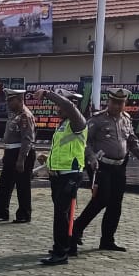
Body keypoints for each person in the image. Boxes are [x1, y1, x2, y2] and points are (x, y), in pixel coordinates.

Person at [70, 87, 139, 252]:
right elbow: (84, 140)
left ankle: (107, 239)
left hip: (119, 166)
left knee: (115, 204)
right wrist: (91, 157)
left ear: (125, 104)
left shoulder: (126, 119)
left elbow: (132, 142)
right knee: (101, 199)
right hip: (102, 165)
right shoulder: (98, 119)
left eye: (121, 103)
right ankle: (76, 228)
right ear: (108, 101)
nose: (117, 106)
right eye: (114, 102)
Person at [36, 89, 88, 265]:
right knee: (63, 215)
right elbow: (63, 150)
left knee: (61, 214)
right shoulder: (63, 125)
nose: (58, 109)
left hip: (70, 175)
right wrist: (48, 159)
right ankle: (67, 245)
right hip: (58, 175)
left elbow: (68, 105)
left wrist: (47, 94)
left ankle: (61, 253)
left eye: (60, 105)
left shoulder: (77, 121)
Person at [0, 88, 35, 223]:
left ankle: (24, 215)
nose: (8, 103)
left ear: (20, 100)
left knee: (22, 185)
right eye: (8, 100)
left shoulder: (25, 115)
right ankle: (0, 212)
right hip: (10, 152)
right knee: (5, 184)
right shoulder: (14, 115)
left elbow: (27, 139)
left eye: (11, 100)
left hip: (21, 153)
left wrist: (21, 159)